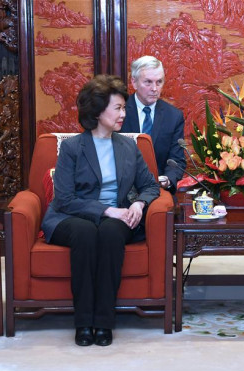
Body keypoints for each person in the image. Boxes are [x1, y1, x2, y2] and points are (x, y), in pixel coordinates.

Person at [41, 75, 160, 347]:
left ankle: (104, 322)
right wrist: (108, 210)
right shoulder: (72, 147)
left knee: (110, 233)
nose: (123, 114)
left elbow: (150, 185)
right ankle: (84, 322)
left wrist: (139, 204)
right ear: (97, 111)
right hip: (70, 217)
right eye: (117, 108)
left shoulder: (129, 146)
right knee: (84, 233)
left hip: (116, 217)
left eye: (123, 108)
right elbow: (65, 199)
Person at [121, 55, 186, 193]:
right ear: (134, 82)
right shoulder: (119, 110)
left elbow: (177, 160)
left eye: (159, 82)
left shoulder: (173, 116)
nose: (155, 88)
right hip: (121, 189)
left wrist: (168, 179)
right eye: (148, 82)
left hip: (158, 189)